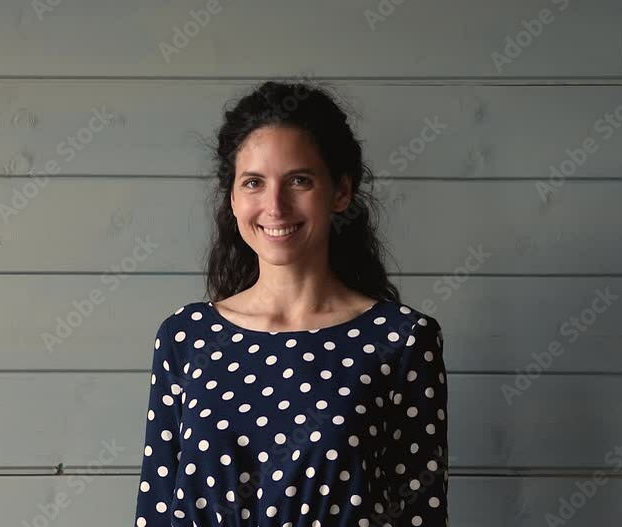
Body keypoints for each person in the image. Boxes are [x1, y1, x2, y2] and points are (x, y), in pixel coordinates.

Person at [133, 80, 448, 526]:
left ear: (341, 192)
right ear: (233, 198)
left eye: (299, 180)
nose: (275, 206)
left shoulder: (402, 340)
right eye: (253, 183)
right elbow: (157, 510)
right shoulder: (186, 337)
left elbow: (420, 516)